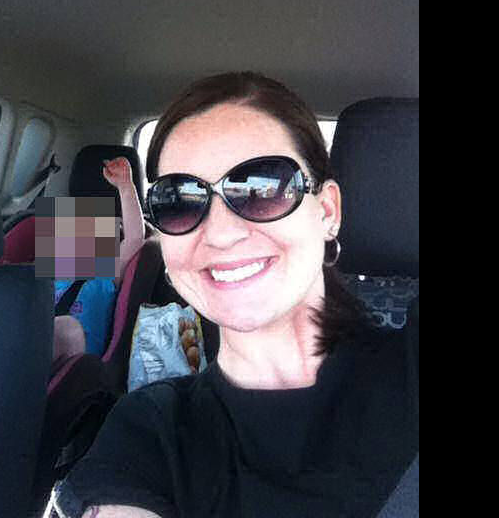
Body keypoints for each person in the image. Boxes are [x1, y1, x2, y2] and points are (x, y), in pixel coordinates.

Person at [50, 72, 419, 518]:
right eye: (178, 200)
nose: (221, 234)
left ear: (327, 211)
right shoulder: (147, 431)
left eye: (263, 187)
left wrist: (124, 189)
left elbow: (128, 244)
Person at [52, 156, 146, 364]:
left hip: (79, 362)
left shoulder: (103, 276)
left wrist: (125, 185)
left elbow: (135, 238)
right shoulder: (50, 279)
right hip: (36, 351)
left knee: (67, 329)